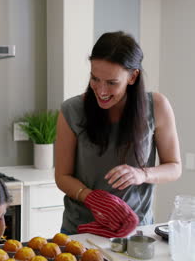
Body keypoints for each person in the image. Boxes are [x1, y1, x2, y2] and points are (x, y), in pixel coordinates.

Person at [55, 31, 181, 237]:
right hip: (81, 231)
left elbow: (174, 167)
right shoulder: (72, 110)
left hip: (137, 231)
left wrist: (142, 174)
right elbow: (62, 176)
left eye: (112, 82)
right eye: (95, 79)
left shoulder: (157, 106)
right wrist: (92, 198)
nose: (101, 90)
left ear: (132, 77)